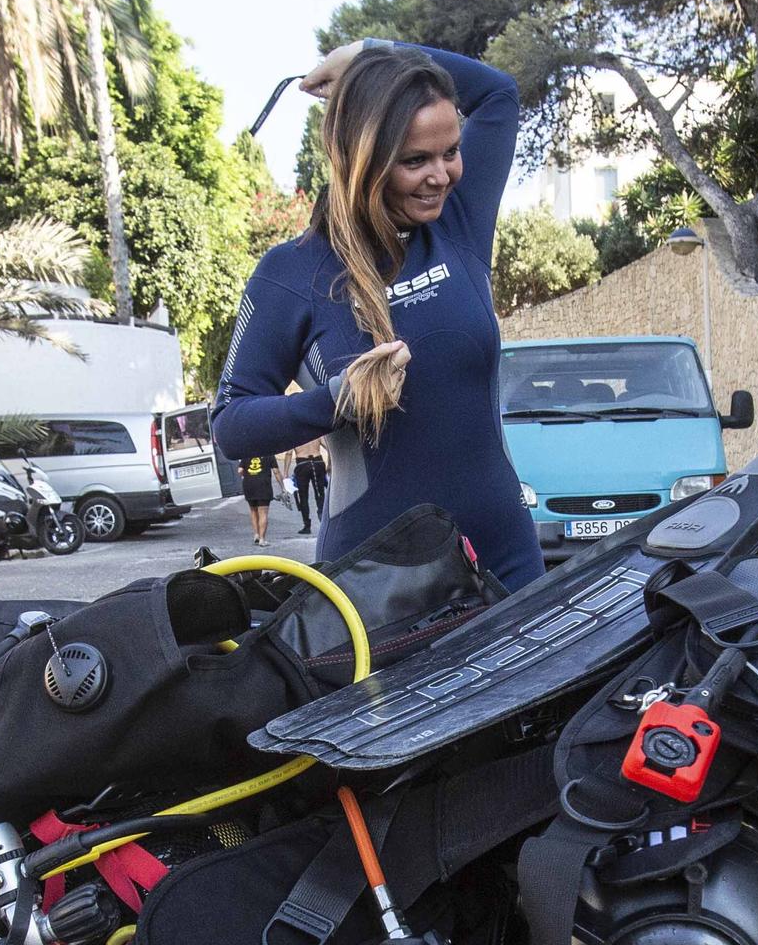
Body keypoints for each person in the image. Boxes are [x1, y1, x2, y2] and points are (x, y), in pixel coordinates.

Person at [211, 39, 544, 593]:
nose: (442, 175)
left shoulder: (458, 225)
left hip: (507, 561)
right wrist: (337, 400)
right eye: (415, 161)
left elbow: (499, 93)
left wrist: (372, 50)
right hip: (374, 586)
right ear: (363, 159)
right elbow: (230, 424)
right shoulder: (292, 273)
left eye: (451, 152)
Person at [284, 436, 327, 535]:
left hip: (302, 464)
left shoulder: (296, 435)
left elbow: (289, 453)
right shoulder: (315, 433)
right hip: (318, 462)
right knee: (320, 493)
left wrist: (285, 473)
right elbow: (328, 448)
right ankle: (323, 520)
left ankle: (307, 525)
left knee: (303, 496)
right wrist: (329, 465)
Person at [238, 452, 277, 546]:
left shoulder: (246, 454)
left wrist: (247, 475)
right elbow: (276, 471)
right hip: (263, 485)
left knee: (253, 511)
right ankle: (262, 539)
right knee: (263, 513)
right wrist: (283, 487)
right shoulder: (269, 454)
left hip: (249, 485)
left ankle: (256, 534)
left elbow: (240, 470)